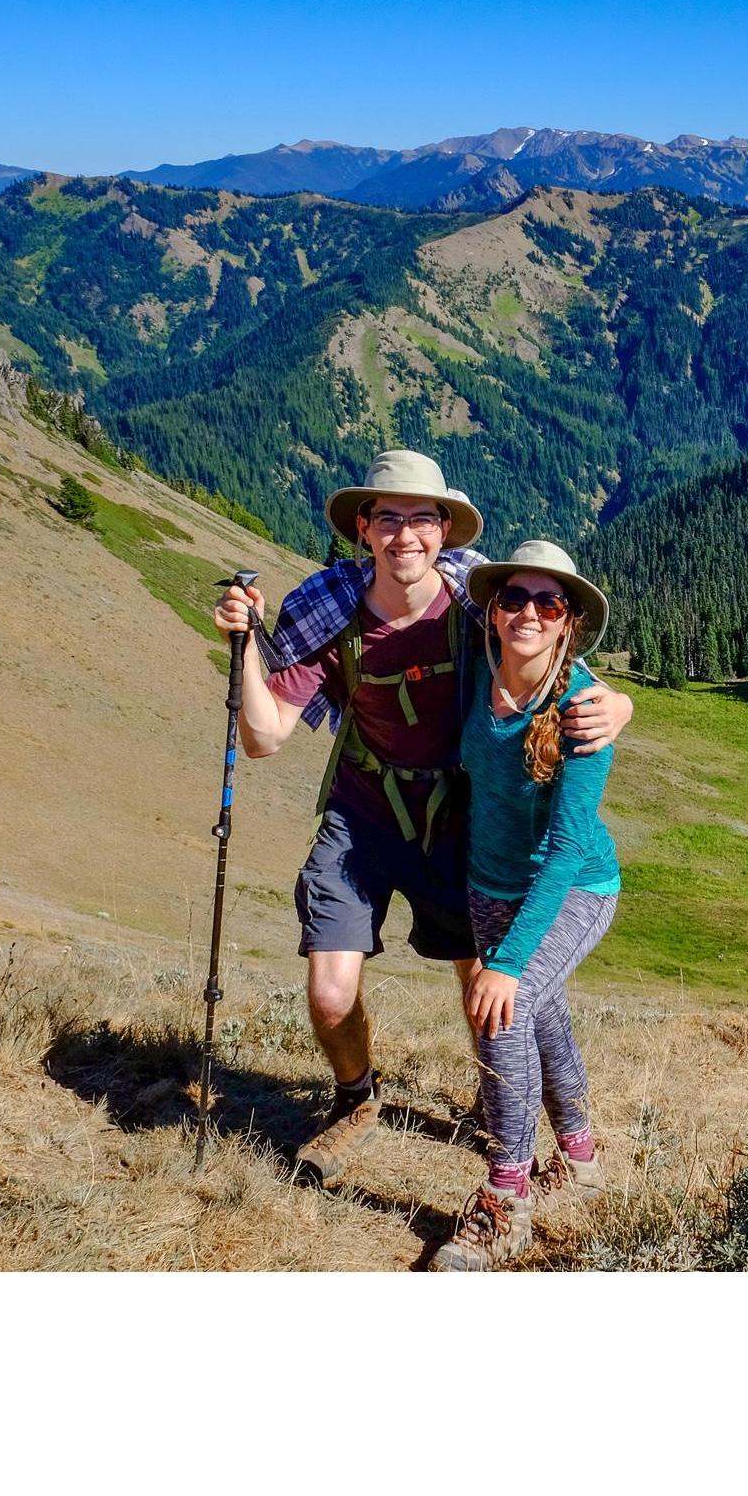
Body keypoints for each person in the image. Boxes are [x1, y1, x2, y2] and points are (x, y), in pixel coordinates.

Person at [210, 451, 633, 1188]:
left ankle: (511, 1120)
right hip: (362, 815)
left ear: (444, 531)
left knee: (491, 988)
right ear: (364, 529)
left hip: (457, 822)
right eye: (389, 518)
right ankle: (358, 1099)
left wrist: (620, 706)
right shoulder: (331, 611)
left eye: (422, 519)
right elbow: (264, 735)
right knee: (331, 990)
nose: (406, 535)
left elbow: (552, 654)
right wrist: (241, 650)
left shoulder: (477, 603)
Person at [431, 539, 622, 1271]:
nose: (530, 613)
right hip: (489, 884)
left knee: (500, 1011)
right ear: (493, 609)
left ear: (569, 620)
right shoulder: (479, 673)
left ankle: (505, 1197)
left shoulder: (584, 713)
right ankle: (579, 1158)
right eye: (515, 598)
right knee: (543, 1019)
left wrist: (506, 962)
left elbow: (570, 850)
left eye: (550, 602)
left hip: (573, 889)